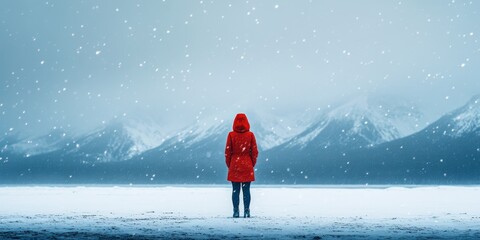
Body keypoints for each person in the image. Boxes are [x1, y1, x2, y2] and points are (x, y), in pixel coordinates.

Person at [225, 113, 258, 218]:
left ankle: (235, 211)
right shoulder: (250, 135)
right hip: (247, 165)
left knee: (235, 190)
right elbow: (255, 152)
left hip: (234, 165)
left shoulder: (231, 135)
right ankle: (247, 211)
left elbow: (227, 152)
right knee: (246, 190)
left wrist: (230, 164)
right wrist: (251, 163)